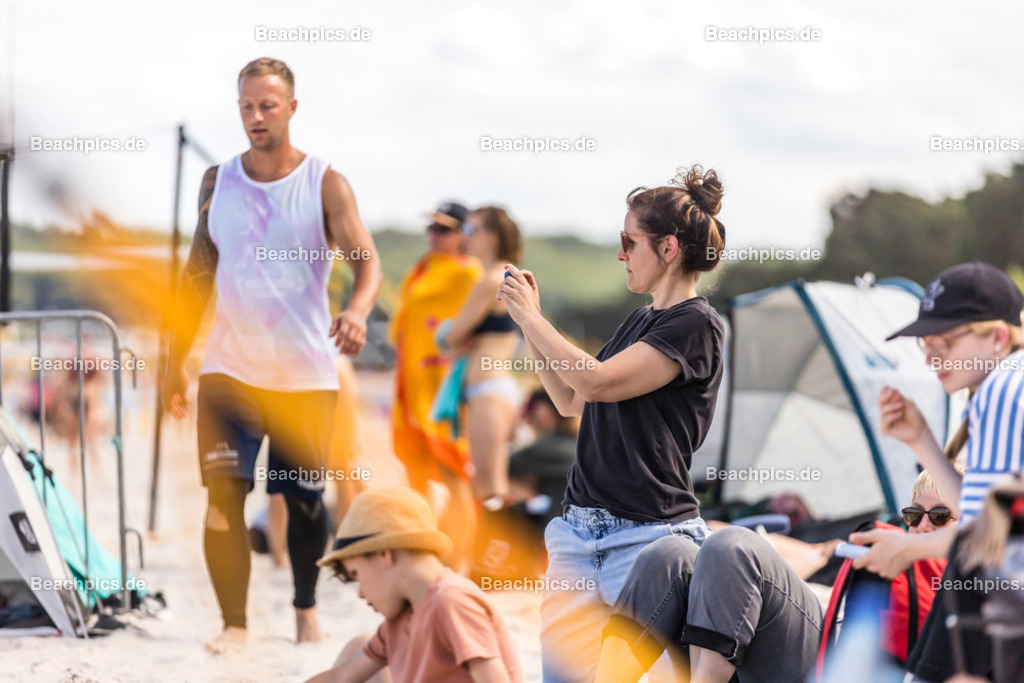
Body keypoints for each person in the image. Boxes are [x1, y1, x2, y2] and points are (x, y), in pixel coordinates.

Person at [162, 57, 382, 652]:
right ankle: (234, 623)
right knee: (223, 498)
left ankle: (305, 608)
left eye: (266, 105)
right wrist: (173, 364)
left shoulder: (324, 182)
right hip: (227, 370)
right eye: (245, 106)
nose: (255, 117)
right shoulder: (217, 181)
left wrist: (357, 312)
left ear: (290, 107)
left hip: (304, 375)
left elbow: (368, 262)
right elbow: (197, 275)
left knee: (304, 501)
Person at [497, 165, 728, 682]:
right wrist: (528, 323)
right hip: (579, 534)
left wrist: (534, 319)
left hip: (651, 541)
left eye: (629, 241)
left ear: (668, 248)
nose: (620, 253)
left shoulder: (696, 324)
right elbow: (569, 398)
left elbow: (597, 382)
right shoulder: (640, 320)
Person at [596, 467, 961, 683]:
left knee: (734, 546)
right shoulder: (881, 551)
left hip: (830, 669)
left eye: (941, 516)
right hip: (807, 639)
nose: (924, 525)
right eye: (915, 515)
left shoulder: (973, 579)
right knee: (669, 554)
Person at [860, 262, 1024, 681]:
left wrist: (907, 548)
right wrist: (921, 441)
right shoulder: (1001, 385)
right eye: (926, 343)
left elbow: (995, 537)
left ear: (999, 338)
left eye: (946, 342)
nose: (932, 356)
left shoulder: (1005, 389)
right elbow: (980, 515)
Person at [306, 486, 523, 683]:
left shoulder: (452, 602)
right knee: (358, 646)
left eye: (357, 575)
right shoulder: (401, 615)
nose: (360, 594)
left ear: (385, 555)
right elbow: (342, 676)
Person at [390, 203, 482, 568]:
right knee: (414, 473)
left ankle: (457, 562)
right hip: (410, 386)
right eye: (432, 228)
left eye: (444, 229)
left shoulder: (471, 273)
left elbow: (479, 328)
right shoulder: (423, 267)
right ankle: (422, 558)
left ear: (464, 234)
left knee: (454, 473)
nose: (435, 235)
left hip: (445, 388)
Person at [439, 206, 524, 510]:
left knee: (487, 488)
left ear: (492, 236)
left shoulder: (489, 279)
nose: (464, 237)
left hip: (487, 390)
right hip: (499, 387)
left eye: (471, 230)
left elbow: (452, 337)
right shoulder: (507, 273)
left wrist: (444, 330)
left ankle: (492, 556)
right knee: (495, 485)